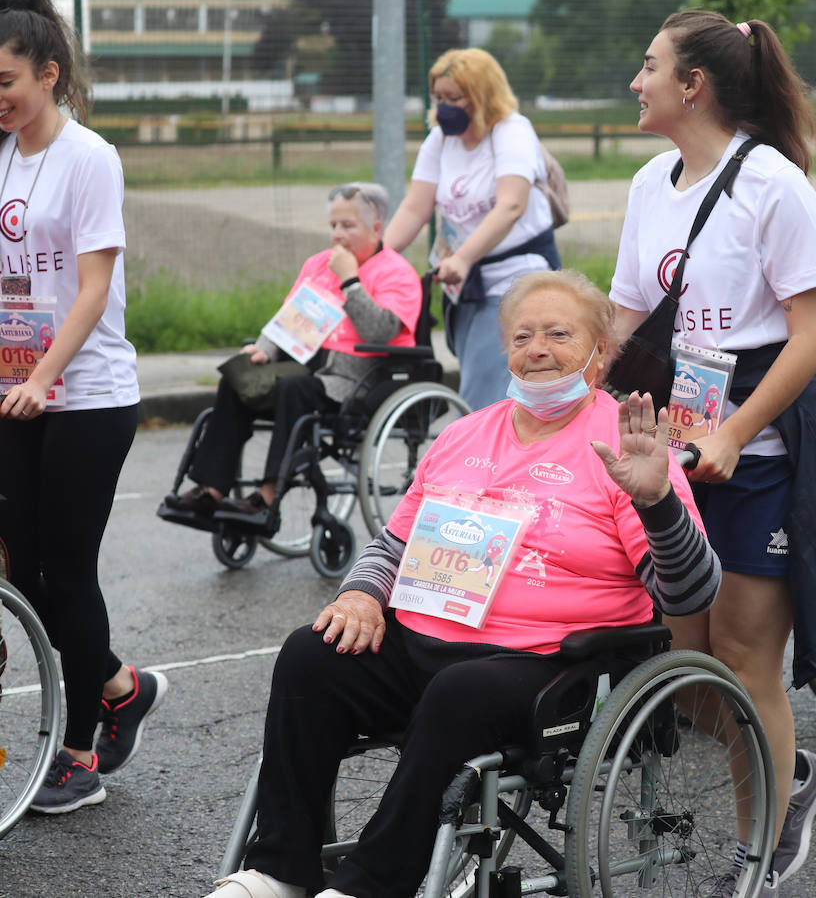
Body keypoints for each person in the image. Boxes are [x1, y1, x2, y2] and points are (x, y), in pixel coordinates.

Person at [203, 270, 721, 898]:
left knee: (459, 691)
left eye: (560, 334)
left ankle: (371, 884)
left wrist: (658, 501)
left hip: (547, 665)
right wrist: (362, 593)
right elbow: (393, 544)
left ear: (601, 351)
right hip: (428, 639)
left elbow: (688, 596)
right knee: (310, 655)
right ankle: (282, 869)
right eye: (523, 335)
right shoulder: (463, 435)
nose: (537, 348)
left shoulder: (625, 444)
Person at [611, 10, 816, 893]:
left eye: (648, 66)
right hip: (677, 445)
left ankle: (761, 848)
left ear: (692, 85)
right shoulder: (647, 184)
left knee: (748, 663)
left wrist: (737, 432)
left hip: (766, 447)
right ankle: (798, 776)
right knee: (684, 675)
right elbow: (629, 321)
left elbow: (811, 338)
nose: (636, 83)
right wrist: (559, 392)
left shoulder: (776, 185)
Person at [0, 0, 166, 813]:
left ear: (49, 74)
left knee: (65, 572)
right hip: (15, 392)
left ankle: (77, 753)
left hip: (87, 395)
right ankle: (121, 687)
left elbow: (93, 289)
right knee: (21, 573)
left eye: (6, 81)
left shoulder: (90, 156)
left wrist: (41, 379)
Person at [162, 183, 421, 521]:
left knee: (293, 389)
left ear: (376, 228)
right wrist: (265, 349)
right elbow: (291, 319)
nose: (338, 236)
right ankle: (212, 488)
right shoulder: (317, 264)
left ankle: (268, 496)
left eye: (348, 226)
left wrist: (349, 281)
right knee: (239, 377)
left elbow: (380, 331)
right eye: (333, 226)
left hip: (356, 377)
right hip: (305, 364)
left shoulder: (397, 272)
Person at [384, 48, 560, 410]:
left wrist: (463, 258)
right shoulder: (440, 139)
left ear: (481, 96)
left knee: (480, 392)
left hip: (514, 277)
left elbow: (511, 204)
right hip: (462, 283)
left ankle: (473, 463)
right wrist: (377, 259)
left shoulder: (511, 131)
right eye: (438, 98)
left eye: (454, 98)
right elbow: (415, 207)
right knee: (479, 378)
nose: (444, 106)